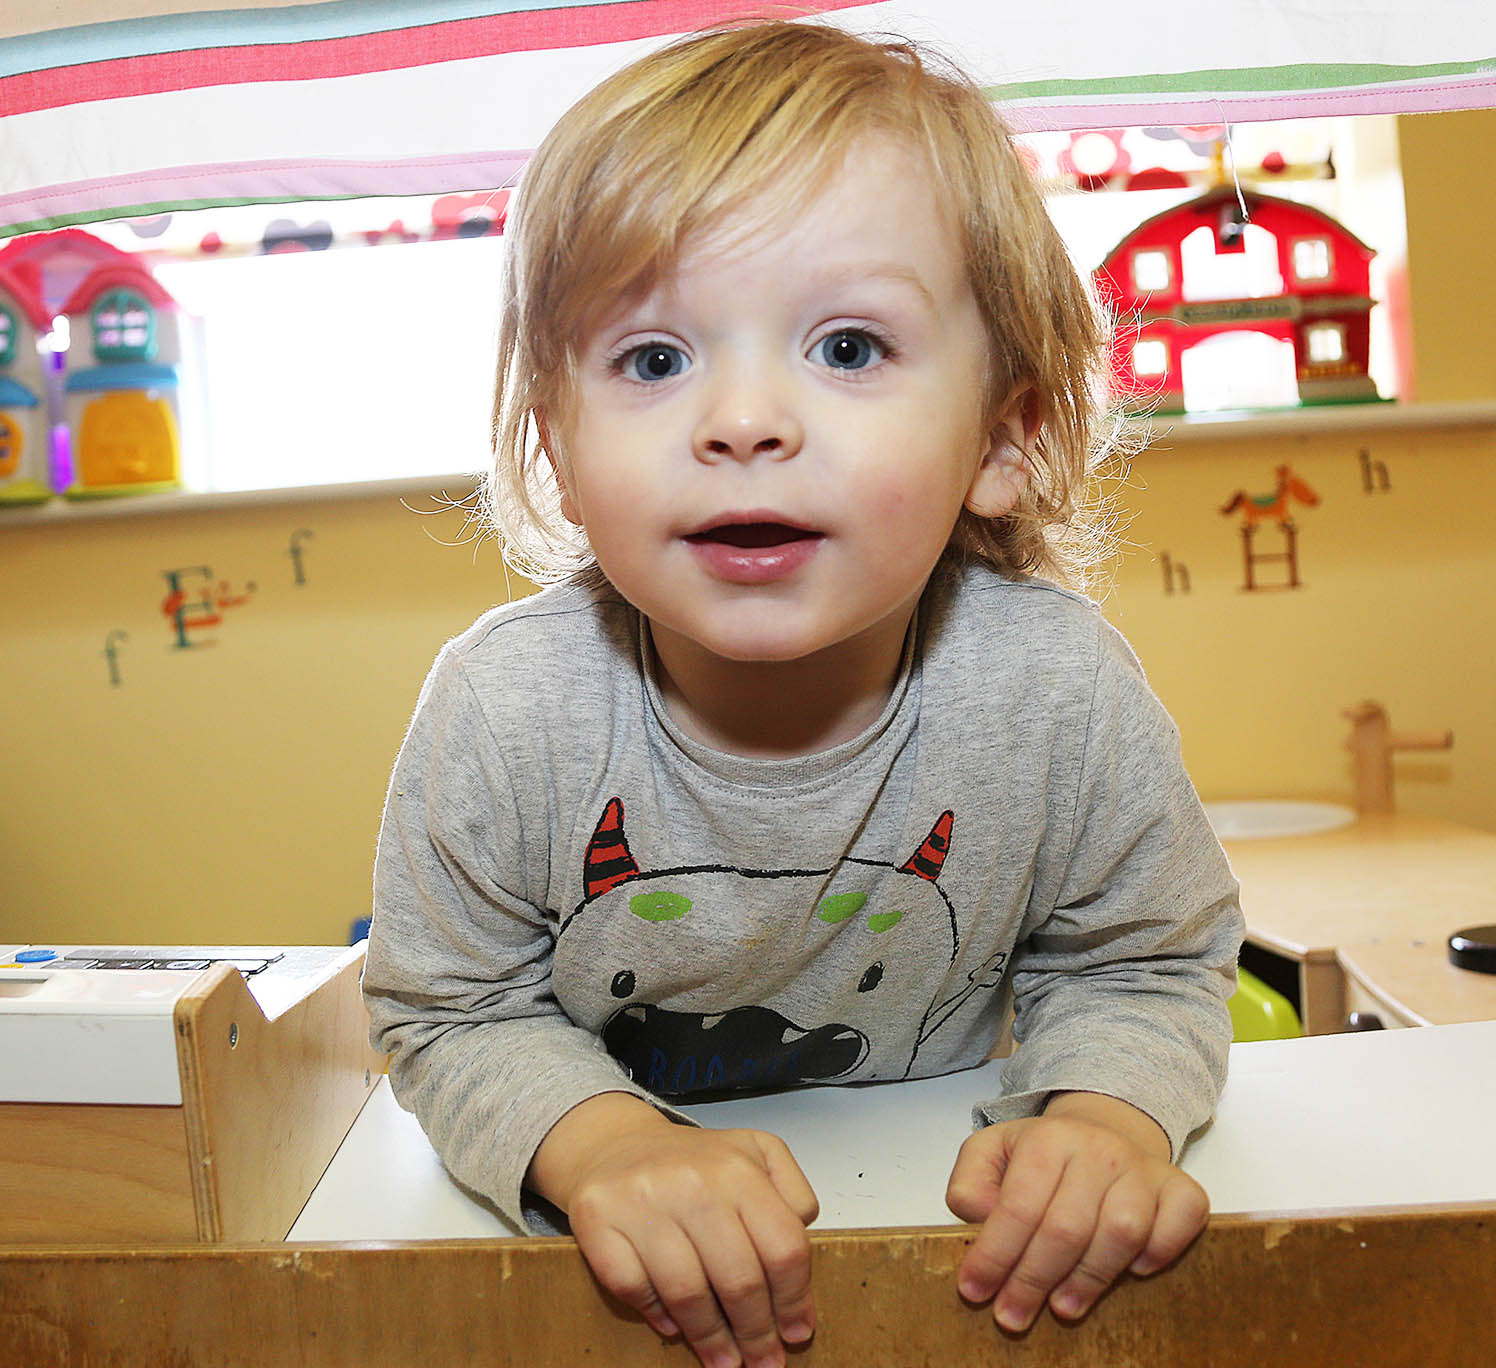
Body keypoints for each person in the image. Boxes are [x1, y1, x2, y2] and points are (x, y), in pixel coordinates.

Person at [362, 19, 1243, 1368]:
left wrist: (1103, 1122)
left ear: (1005, 437)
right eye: (655, 361)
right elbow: (450, 1009)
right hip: (603, 1299)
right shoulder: (506, 709)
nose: (744, 421)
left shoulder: (1055, 692)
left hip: (942, 1280)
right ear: (556, 445)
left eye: (847, 347)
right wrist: (599, 1148)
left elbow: (1139, 963)